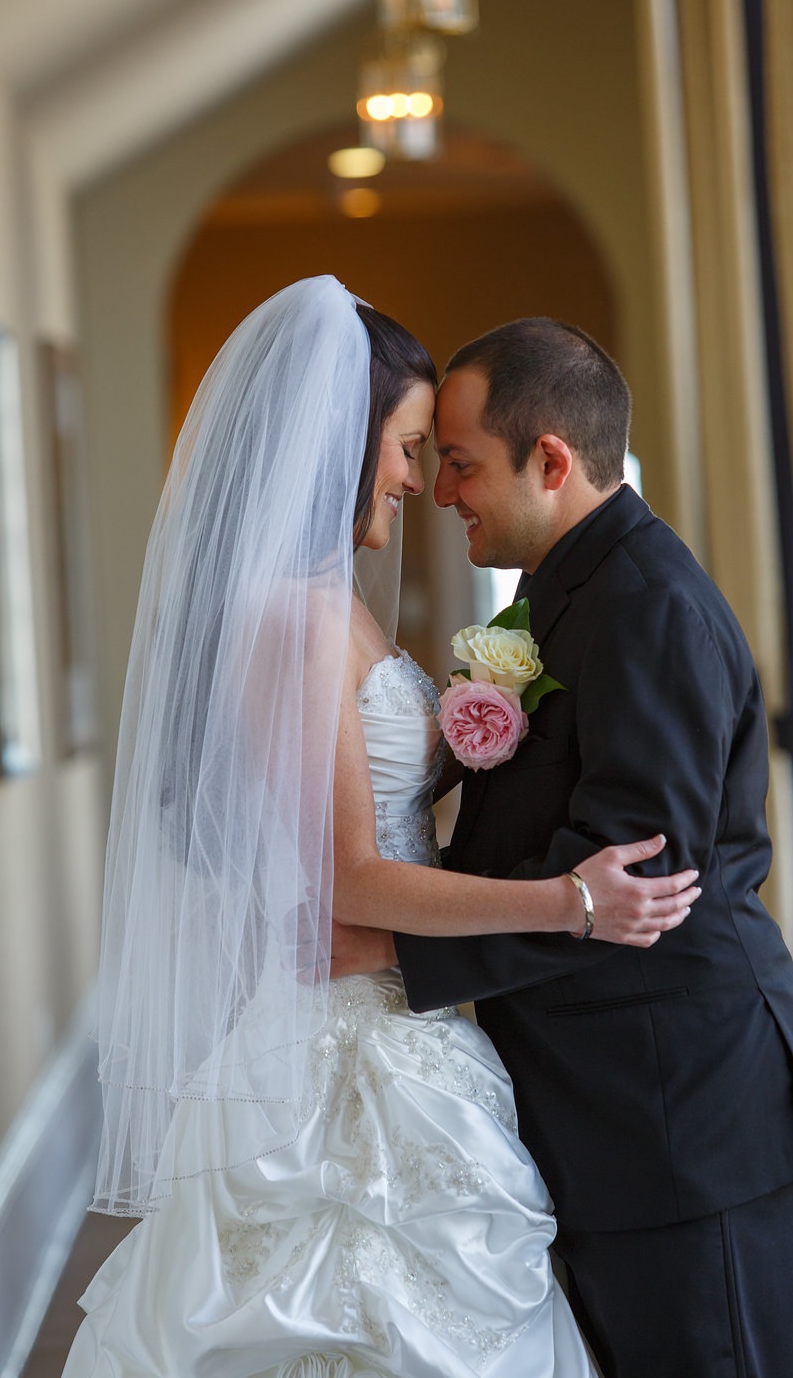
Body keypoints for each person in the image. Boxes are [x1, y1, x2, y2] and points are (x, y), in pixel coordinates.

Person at [62, 277, 700, 1378]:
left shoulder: (334, 605)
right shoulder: (295, 620)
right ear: (337, 448)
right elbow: (350, 877)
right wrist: (570, 900)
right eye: (407, 448)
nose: (417, 480)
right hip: (348, 1030)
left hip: (407, 1010)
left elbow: (377, 788)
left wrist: (477, 720)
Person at [340, 316, 793, 1378]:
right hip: (614, 1106)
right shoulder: (559, 590)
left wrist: (396, 956)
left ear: (553, 460)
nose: (442, 494)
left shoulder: (647, 606)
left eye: (461, 464)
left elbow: (629, 877)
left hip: (680, 1116)